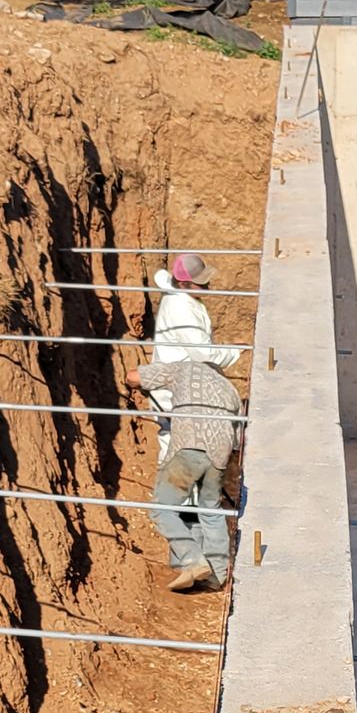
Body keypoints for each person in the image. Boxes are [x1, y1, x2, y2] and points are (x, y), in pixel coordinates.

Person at [130, 351, 241, 592]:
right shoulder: (231, 390)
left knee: (162, 509)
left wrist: (131, 384)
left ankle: (193, 561)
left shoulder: (186, 368)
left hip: (189, 446)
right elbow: (236, 442)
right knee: (210, 511)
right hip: (220, 455)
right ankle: (217, 576)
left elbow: (134, 376)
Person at [143, 253, 241, 463]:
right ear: (183, 283)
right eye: (201, 283)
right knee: (182, 447)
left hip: (179, 384)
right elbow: (203, 353)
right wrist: (234, 352)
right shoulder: (181, 310)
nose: (207, 286)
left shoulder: (179, 296)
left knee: (179, 442)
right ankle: (175, 483)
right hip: (177, 390)